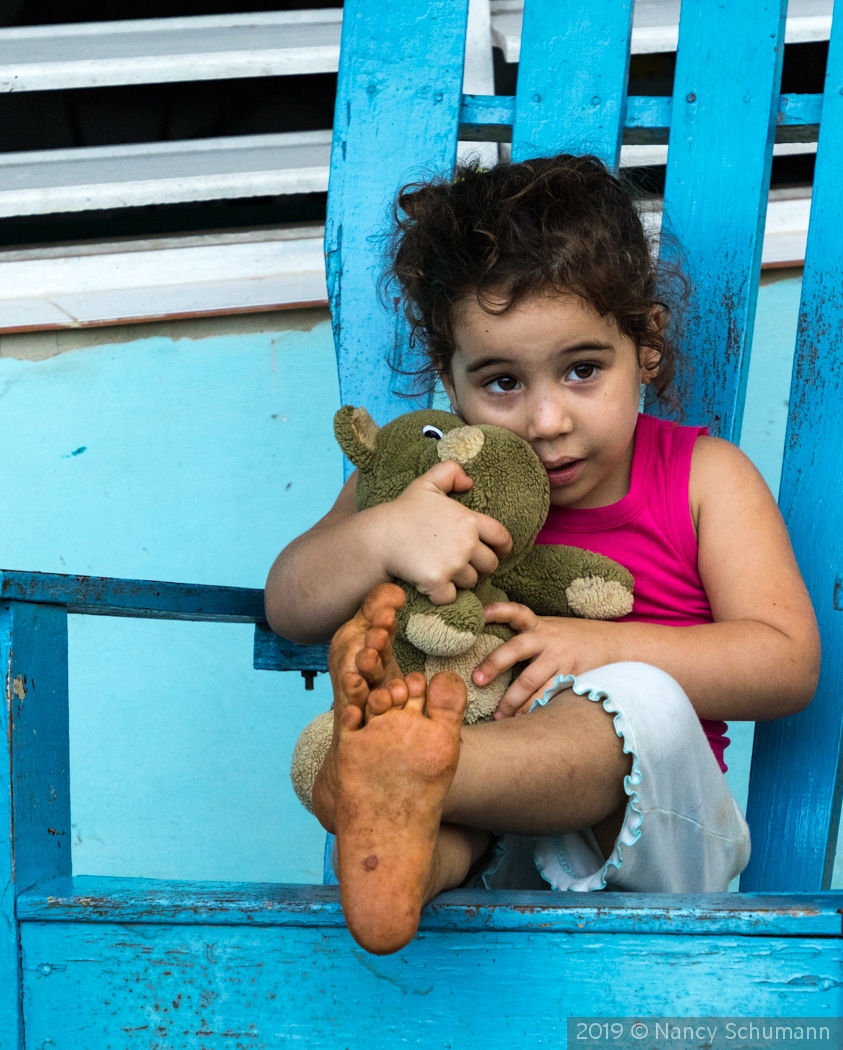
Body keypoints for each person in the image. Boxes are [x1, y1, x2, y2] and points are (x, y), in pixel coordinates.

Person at [265, 155, 820, 956]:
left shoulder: (702, 479)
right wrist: (379, 533)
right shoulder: (429, 475)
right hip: (493, 853)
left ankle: (402, 770)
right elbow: (289, 602)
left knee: (629, 696)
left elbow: (786, 661)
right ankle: (400, 854)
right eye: (499, 382)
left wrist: (600, 646)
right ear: (448, 381)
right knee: (437, 821)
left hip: (656, 850)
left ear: (646, 349)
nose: (546, 418)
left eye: (582, 370)